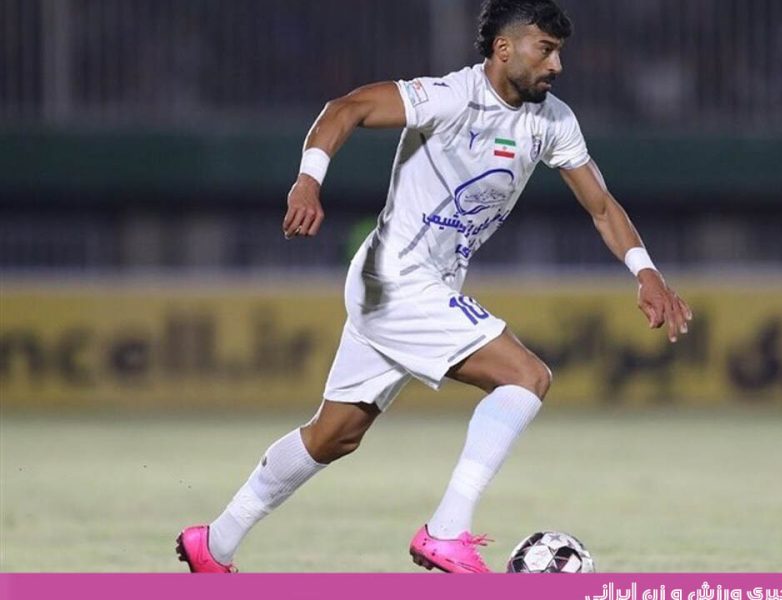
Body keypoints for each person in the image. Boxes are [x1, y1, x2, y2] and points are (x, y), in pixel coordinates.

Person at [176, 0, 692, 573]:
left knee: (334, 435)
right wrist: (308, 180)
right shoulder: (449, 97)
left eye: (560, 52)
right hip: (398, 279)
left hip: (407, 286)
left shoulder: (552, 121)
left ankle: (214, 543)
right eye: (546, 50)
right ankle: (446, 532)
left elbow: (600, 205)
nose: (557, 65)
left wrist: (645, 271)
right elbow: (345, 108)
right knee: (526, 377)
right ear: (504, 49)